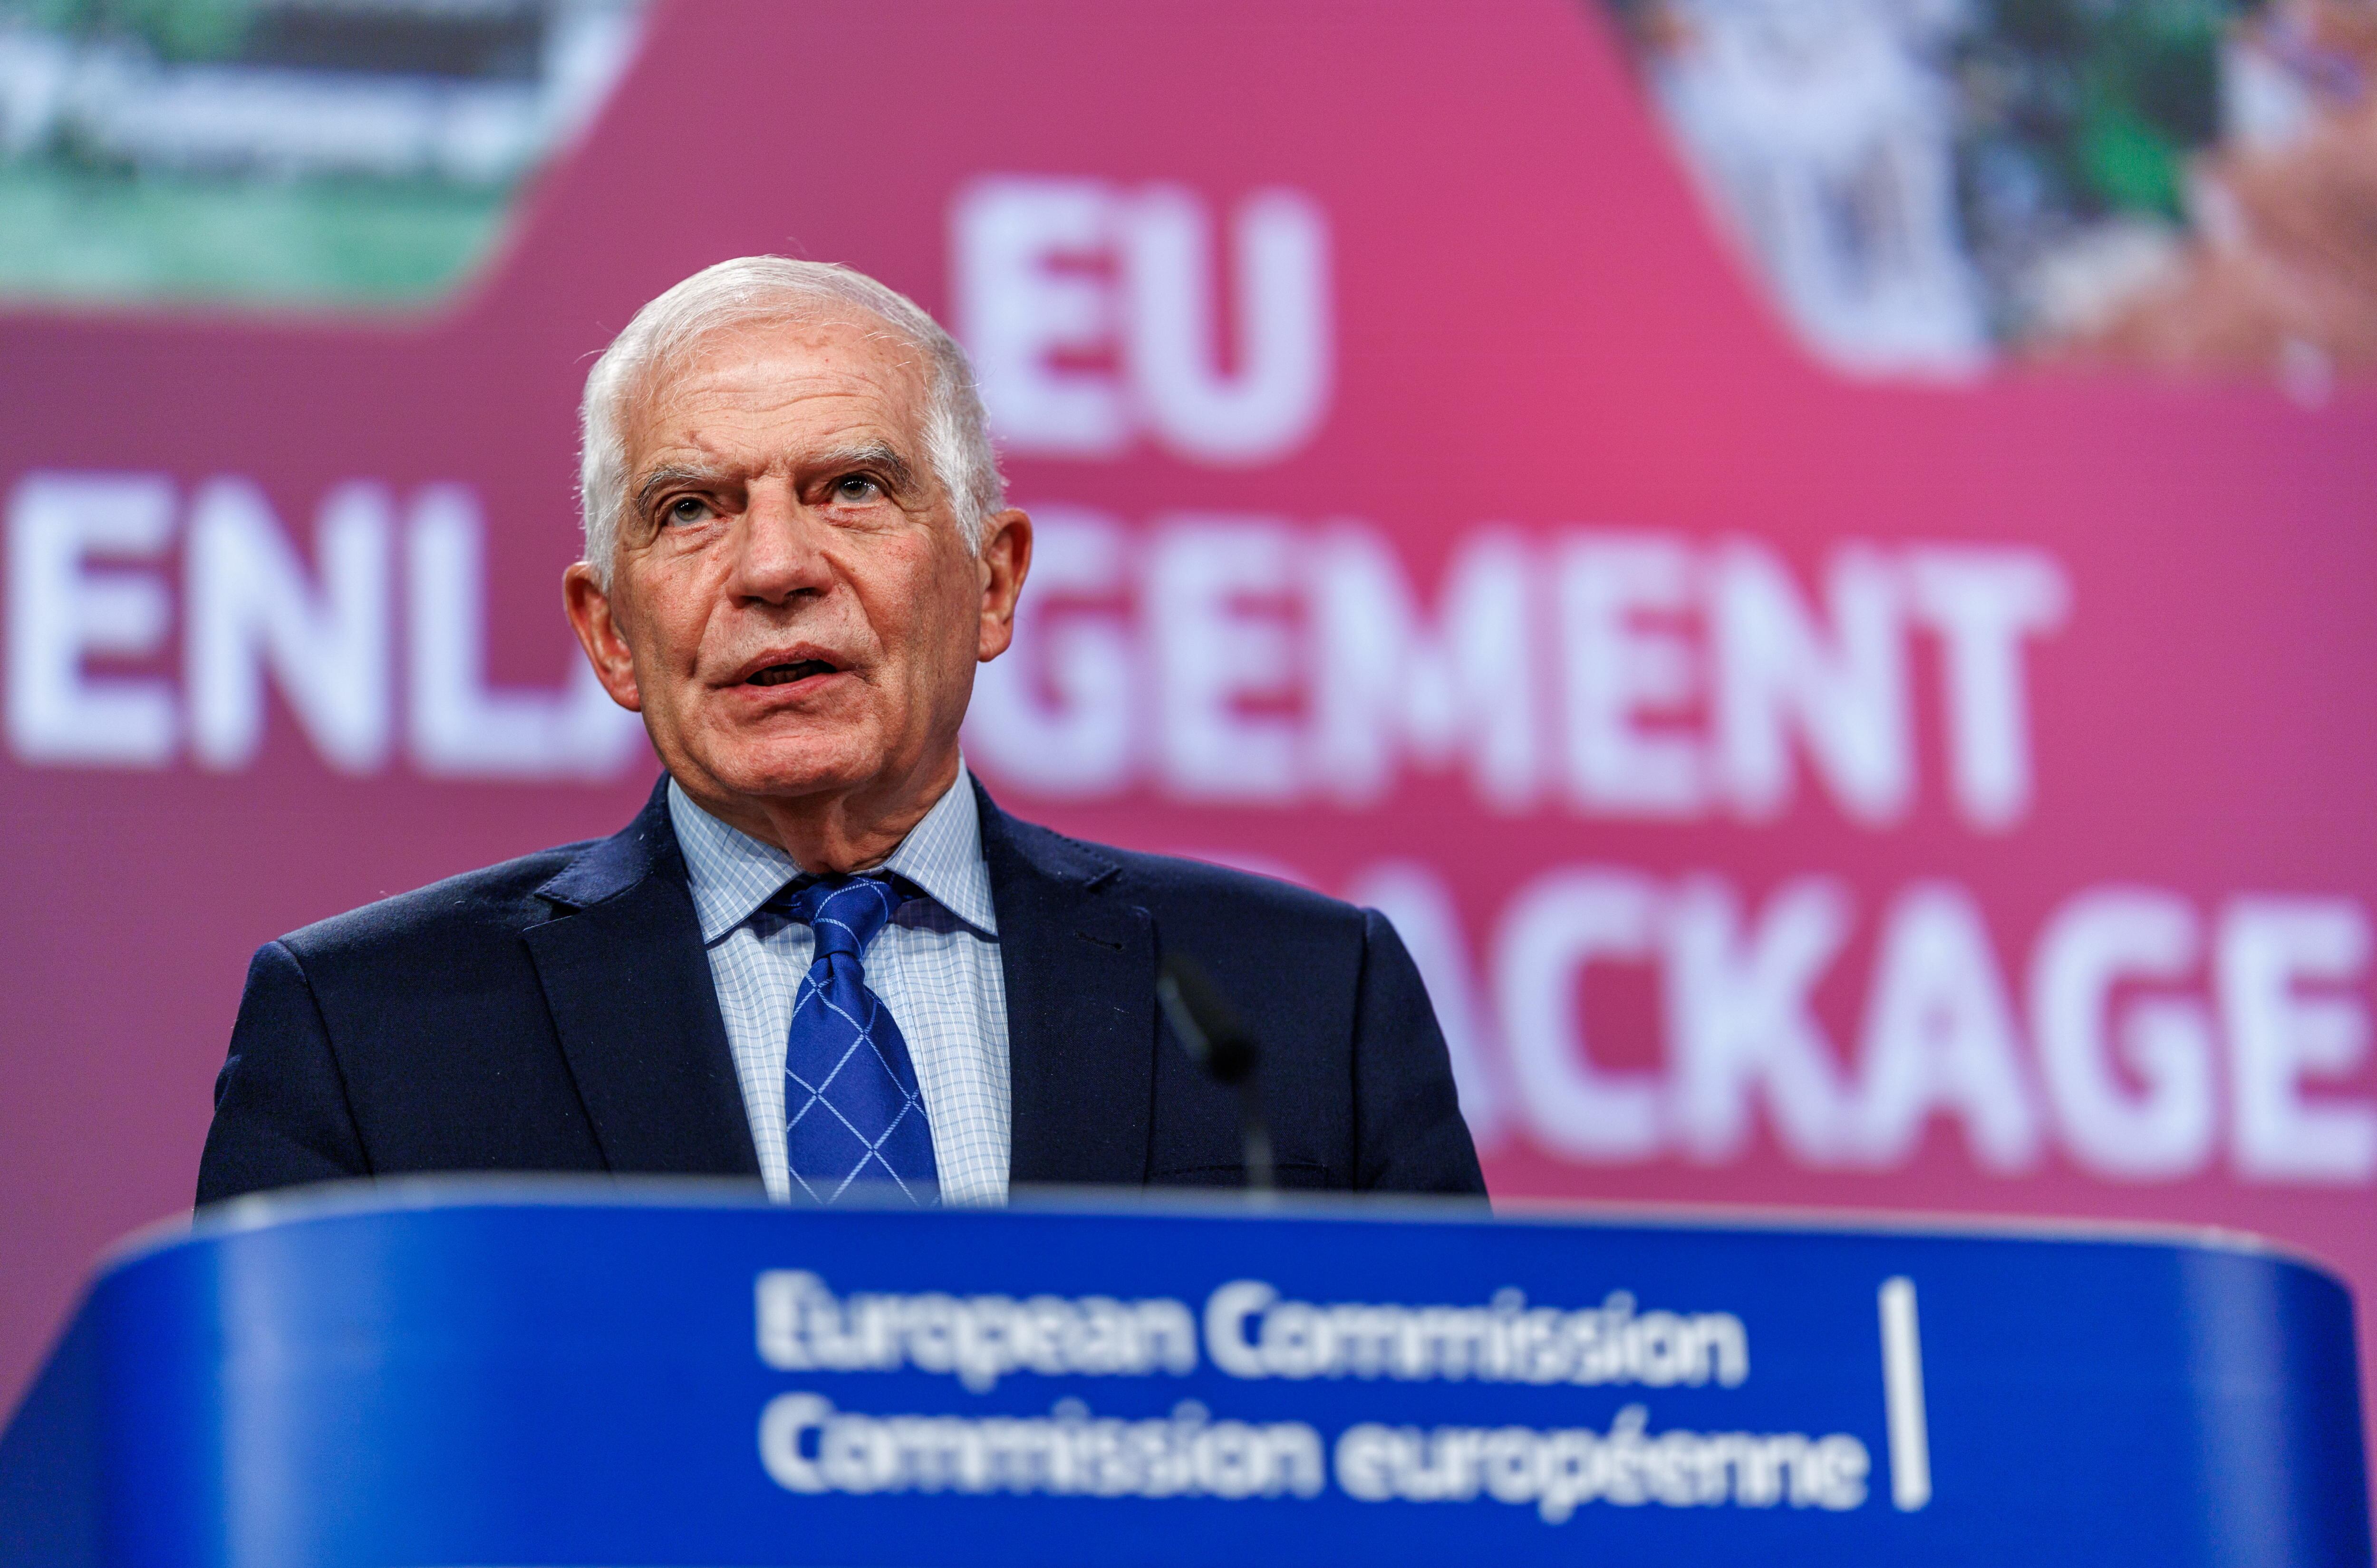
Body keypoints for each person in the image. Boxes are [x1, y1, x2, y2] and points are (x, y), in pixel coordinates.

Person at [196, 257, 1485, 1208]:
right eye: (691, 509)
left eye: (853, 488)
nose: (775, 568)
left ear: (994, 581)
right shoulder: (370, 1030)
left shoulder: (1302, 1002)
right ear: (609, 633)